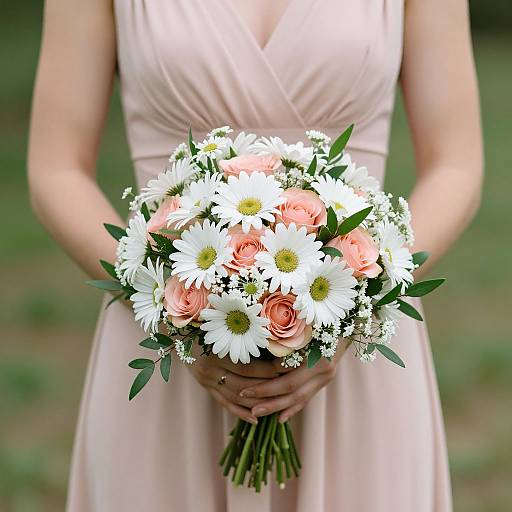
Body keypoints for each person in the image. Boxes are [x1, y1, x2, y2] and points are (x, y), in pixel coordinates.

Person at [28, 1, 483, 510]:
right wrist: (167, 308)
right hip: (166, 343)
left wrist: (360, 301)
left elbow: (456, 165)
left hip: (355, 350)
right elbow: (56, 168)